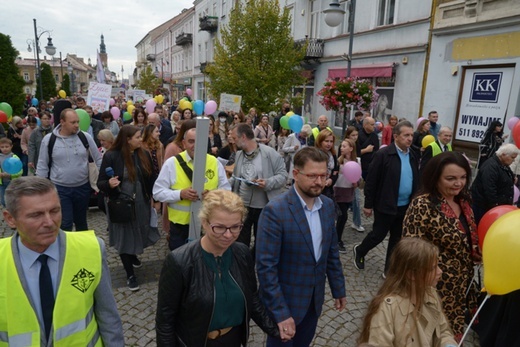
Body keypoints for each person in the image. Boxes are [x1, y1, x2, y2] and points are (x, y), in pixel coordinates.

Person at [0, 176, 124, 346]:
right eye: (36, 215)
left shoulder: (91, 249)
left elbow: (108, 317)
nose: (49, 222)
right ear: (10, 218)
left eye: (54, 211)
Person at [155, 190, 280, 346]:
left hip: (233, 340)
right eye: (219, 227)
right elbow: (165, 321)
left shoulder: (242, 253)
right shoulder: (179, 261)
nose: (228, 235)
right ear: (204, 222)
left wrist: (276, 329)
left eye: (235, 227)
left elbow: (252, 297)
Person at [256, 146, 347, 346]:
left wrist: (338, 288)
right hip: (286, 306)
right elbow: (266, 268)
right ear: (296, 174)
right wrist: (280, 313)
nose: (319, 182)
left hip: (313, 304)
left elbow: (331, 253)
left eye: (323, 176)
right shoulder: (275, 211)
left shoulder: (327, 206)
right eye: (313, 176)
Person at [403, 151, 482, 342]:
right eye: (451, 178)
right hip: (433, 286)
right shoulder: (423, 205)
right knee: (428, 335)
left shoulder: (464, 200)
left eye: (463, 177)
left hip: (460, 285)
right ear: (435, 178)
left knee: (451, 333)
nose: (458, 183)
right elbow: (410, 250)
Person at [358, 238, 457, 346]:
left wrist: (448, 343)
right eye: (432, 268)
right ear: (412, 275)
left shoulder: (431, 294)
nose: (440, 271)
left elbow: (443, 331)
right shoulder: (387, 310)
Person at [97, 125, 160, 291]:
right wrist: (109, 184)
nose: (141, 139)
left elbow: (152, 179)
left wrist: (156, 198)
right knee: (124, 236)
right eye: (138, 137)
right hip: (121, 205)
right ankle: (130, 274)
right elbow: (100, 182)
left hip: (141, 204)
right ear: (127, 139)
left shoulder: (143, 154)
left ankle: (132, 255)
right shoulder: (111, 156)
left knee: (138, 232)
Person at [354, 121, 419, 276]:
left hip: (405, 206)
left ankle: (389, 269)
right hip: (386, 203)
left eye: (411, 135)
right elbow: (371, 180)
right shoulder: (383, 154)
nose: (410, 138)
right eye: (406, 135)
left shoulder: (414, 154)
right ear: (396, 136)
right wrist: (368, 204)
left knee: (396, 239)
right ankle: (360, 250)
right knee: (378, 235)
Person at [153, 127, 231, 251]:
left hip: (209, 224)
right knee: (181, 263)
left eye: (199, 141)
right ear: (184, 144)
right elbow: (157, 193)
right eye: (191, 141)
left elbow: (226, 190)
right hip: (180, 227)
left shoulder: (214, 162)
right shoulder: (172, 163)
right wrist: (180, 194)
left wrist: (213, 195)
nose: (195, 145)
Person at [36, 108, 102, 232]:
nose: (77, 125)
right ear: (62, 122)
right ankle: (65, 249)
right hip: (60, 188)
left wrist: (103, 181)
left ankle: (81, 249)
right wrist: (41, 191)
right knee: (65, 222)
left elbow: (98, 160)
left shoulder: (85, 137)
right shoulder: (50, 140)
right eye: (73, 122)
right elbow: (42, 165)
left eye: (77, 122)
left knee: (81, 222)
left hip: (82, 187)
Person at [229, 123, 287, 255]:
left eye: (235, 138)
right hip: (242, 205)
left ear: (243, 137)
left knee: (262, 241)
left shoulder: (269, 153)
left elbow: (283, 176)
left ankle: (255, 261)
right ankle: (243, 266)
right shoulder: (238, 155)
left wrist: (267, 182)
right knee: (240, 242)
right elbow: (235, 177)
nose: (233, 141)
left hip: (263, 206)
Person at [471, 143, 519, 224]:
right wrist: (495, 207)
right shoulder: (490, 166)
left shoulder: (503, 164)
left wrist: (512, 178)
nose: (513, 160)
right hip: (485, 207)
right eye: (512, 158)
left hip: (497, 206)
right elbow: (489, 189)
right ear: (503, 155)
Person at [334, 138, 357, 253]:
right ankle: (337, 240)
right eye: (341, 146)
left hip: (349, 192)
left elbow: (358, 181)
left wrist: (356, 182)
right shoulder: (339, 161)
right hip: (338, 191)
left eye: (344, 146)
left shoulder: (357, 161)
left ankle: (336, 238)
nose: (341, 148)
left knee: (343, 216)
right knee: (343, 216)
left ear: (351, 148)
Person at [344, 126, 365, 232]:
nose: (355, 137)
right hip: (344, 178)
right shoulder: (344, 145)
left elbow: (358, 158)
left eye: (356, 135)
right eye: (353, 135)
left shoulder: (357, 145)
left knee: (357, 200)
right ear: (348, 135)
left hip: (355, 176)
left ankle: (357, 223)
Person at [314, 129, 339, 200]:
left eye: (331, 141)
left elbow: (336, 171)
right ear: (320, 141)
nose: (329, 144)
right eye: (326, 141)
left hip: (328, 188)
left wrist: (331, 180)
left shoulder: (333, 155)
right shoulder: (315, 154)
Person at [0, 137, 23, 206]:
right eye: (2, 147)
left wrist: (10, 175)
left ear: (11, 146)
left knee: (13, 198)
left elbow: (20, 171)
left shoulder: (14, 157)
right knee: (3, 200)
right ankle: (6, 211)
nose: (4, 148)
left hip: (13, 182)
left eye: (7, 146)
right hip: (2, 183)